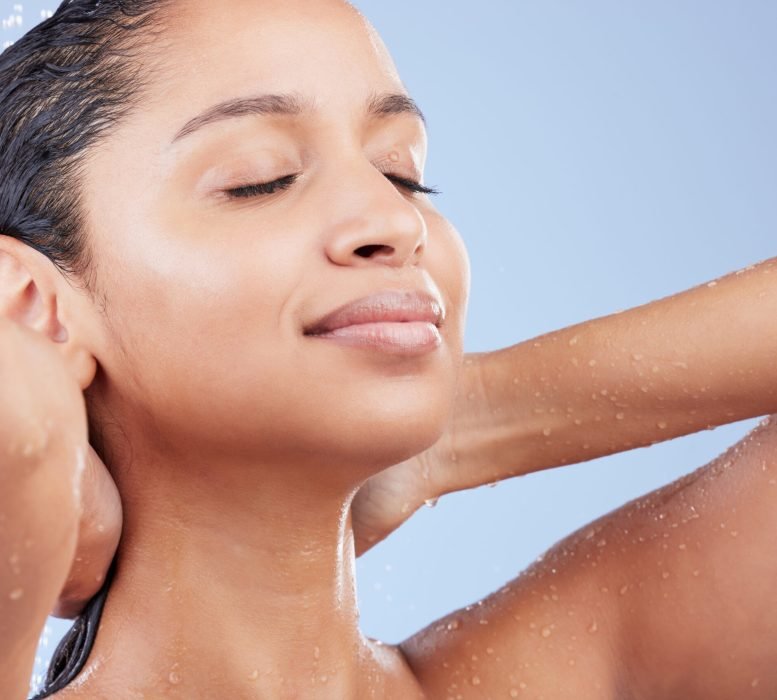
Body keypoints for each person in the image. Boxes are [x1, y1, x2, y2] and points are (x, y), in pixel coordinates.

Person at [1, 1, 775, 698]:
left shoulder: (565, 669)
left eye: (402, 174)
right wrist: (41, 467)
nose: (393, 221)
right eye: (261, 180)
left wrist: (474, 418)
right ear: (33, 302)